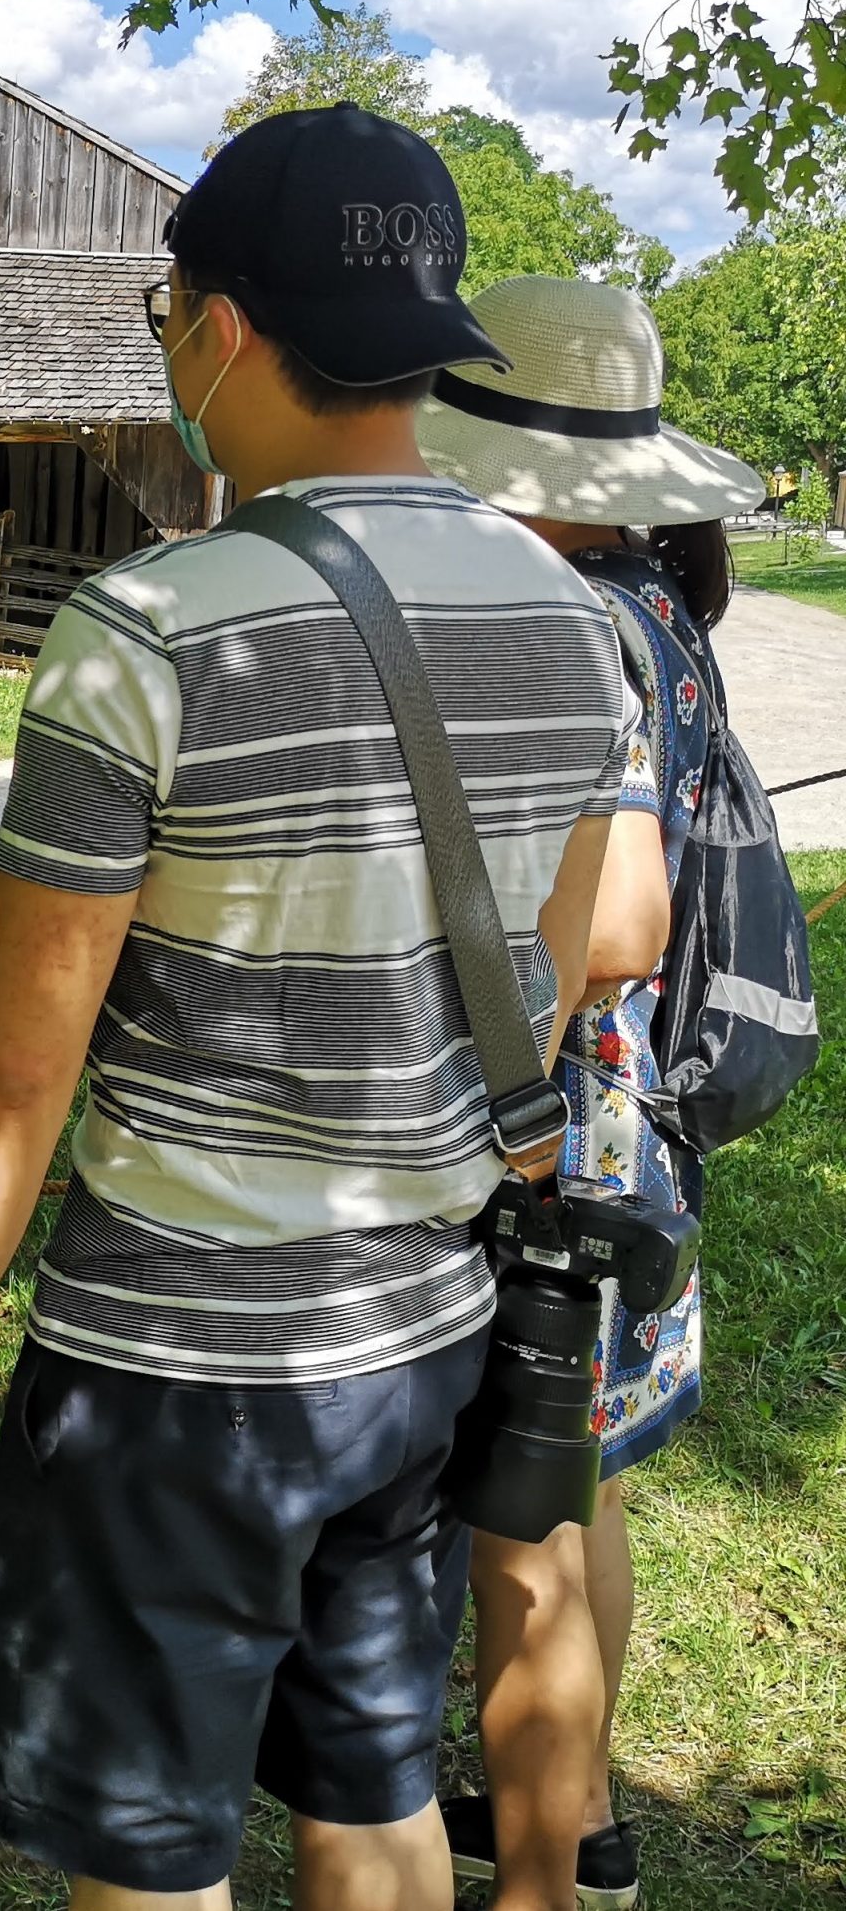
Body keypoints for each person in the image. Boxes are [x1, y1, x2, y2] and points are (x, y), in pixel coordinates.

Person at [0, 105, 635, 1911]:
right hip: (423, 1332)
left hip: (177, 1363)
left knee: (150, 1845)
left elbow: (16, 1049)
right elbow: (570, 950)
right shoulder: (565, 608)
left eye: (167, 310)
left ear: (215, 327)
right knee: (367, 1780)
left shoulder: (154, 625)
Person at [413, 277, 768, 1911]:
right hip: (634, 1129)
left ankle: (543, 1872)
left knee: (516, 1531)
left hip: (555, 1118)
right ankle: (576, 1815)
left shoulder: (570, 614)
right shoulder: (660, 598)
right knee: (578, 1493)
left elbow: (614, 924)